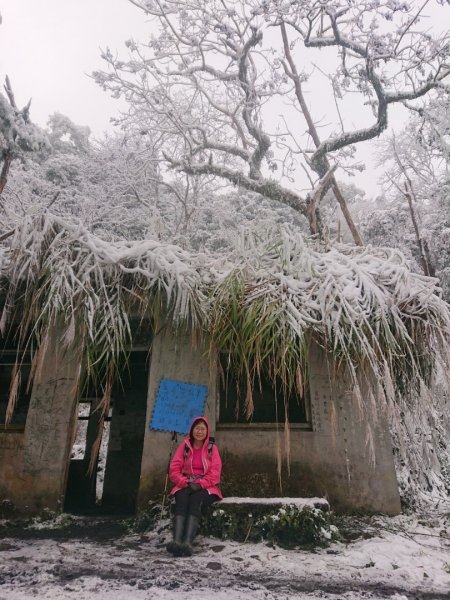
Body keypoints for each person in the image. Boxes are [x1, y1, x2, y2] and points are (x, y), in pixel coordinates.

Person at [166, 416, 222, 557]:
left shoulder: (211, 448)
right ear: (192, 430)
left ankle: (187, 543)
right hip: (185, 483)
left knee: (196, 500)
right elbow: (174, 469)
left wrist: (200, 484)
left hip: (206, 487)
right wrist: (184, 482)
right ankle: (177, 541)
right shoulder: (184, 447)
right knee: (182, 498)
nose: (199, 432)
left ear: (207, 431)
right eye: (197, 428)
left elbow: (215, 472)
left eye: (203, 429)